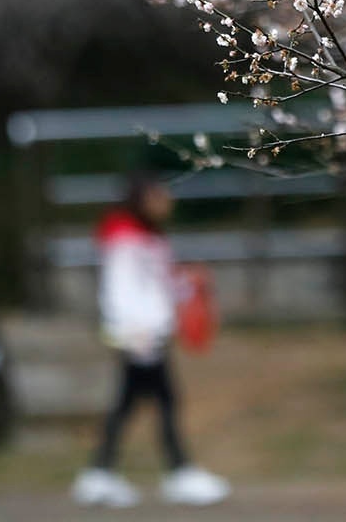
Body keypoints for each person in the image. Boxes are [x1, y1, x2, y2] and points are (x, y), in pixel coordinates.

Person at [70, 172, 230, 508]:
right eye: (158, 196)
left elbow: (160, 285)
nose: (166, 202)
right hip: (139, 335)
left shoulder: (149, 239)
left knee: (133, 402)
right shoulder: (125, 239)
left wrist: (189, 287)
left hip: (150, 333)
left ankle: (101, 474)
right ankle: (177, 472)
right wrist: (131, 330)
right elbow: (120, 289)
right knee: (163, 400)